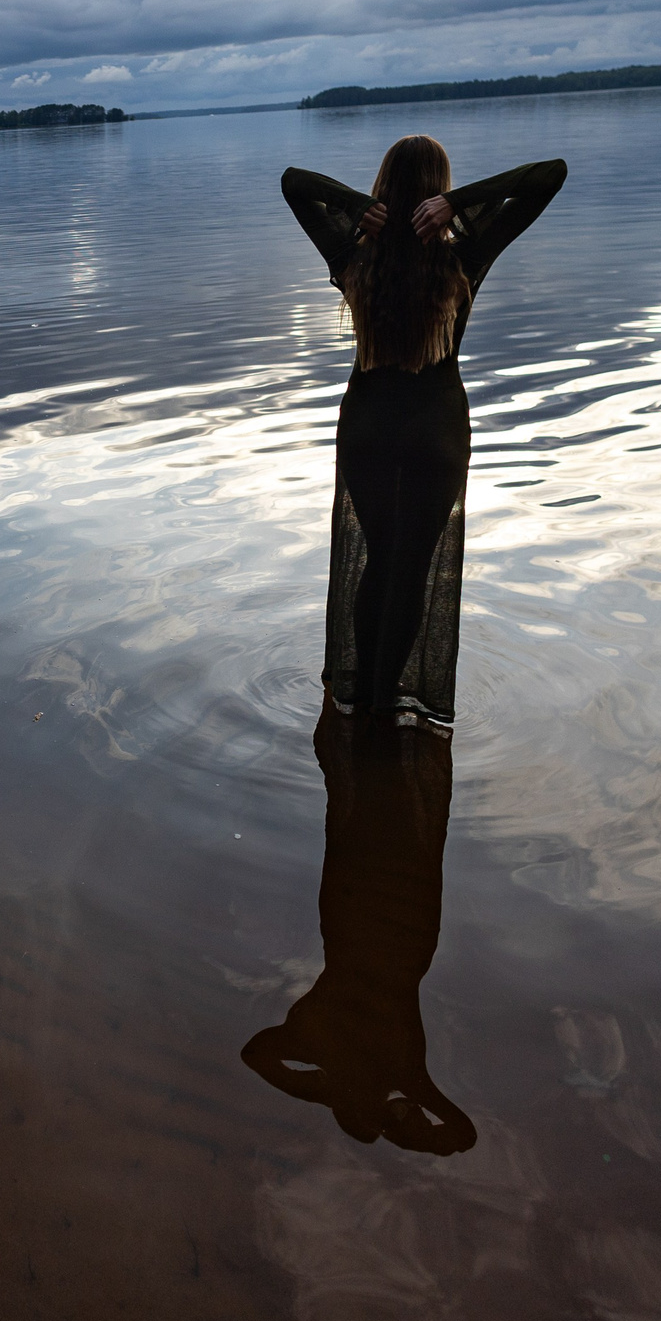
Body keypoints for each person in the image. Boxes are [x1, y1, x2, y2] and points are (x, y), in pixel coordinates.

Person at [281, 137, 564, 731]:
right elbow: (549, 175)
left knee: (381, 562)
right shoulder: (466, 251)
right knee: (410, 568)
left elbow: (294, 182)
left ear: (382, 184)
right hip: (436, 432)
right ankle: (386, 706)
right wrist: (457, 204)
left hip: (367, 430)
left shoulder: (351, 251)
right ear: (438, 188)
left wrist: (359, 209)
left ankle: (358, 707)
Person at [239, 710, 472, 1155]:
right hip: (388, 929)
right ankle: (378, 723)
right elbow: (255, 1056)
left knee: (380, 825)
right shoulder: (397, 1072)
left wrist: (325, 1090)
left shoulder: (392, 1072)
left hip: (393, 931)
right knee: (373, 825)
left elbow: (461, 1135)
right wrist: (326, 1091)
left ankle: (371, 722)